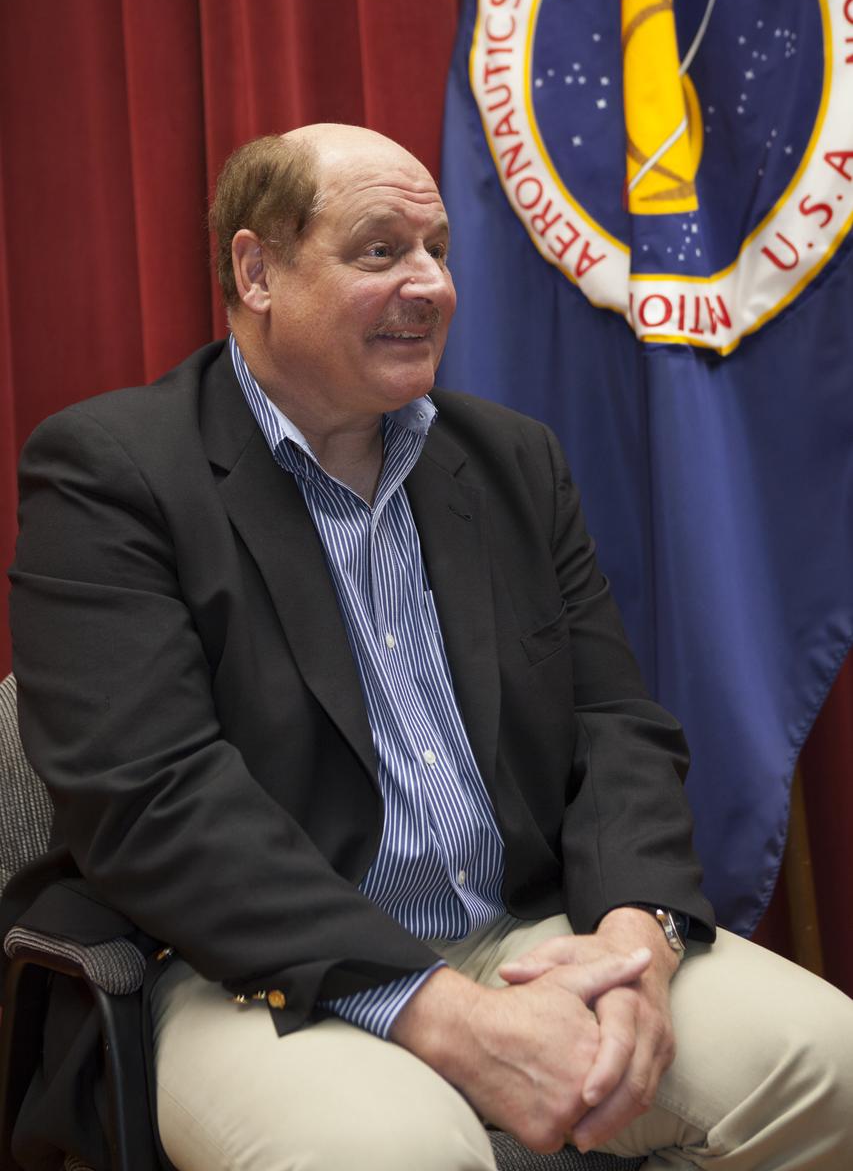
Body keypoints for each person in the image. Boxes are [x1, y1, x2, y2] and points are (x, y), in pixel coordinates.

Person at [6, 123, 853, 1171]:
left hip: (524, 931)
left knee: (831, 1064)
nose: (431, 285)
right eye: (379, 250)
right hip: (249, 968)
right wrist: (446, 1016)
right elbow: (151, 798)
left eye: (438, 249)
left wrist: (635, 940)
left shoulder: (509, 460)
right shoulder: (109, 473)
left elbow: (615, 726)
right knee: (396, 1153)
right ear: (257, 268)